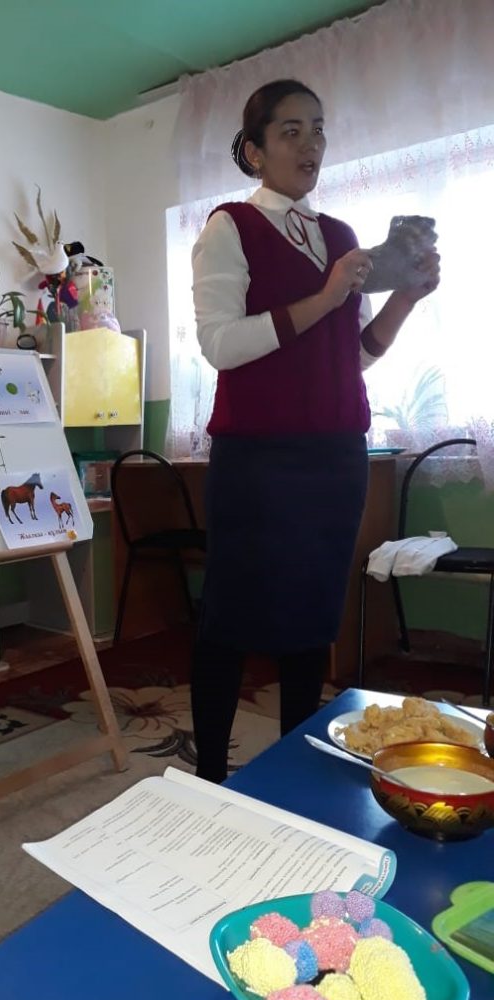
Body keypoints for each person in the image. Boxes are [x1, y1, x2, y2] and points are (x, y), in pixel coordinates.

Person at [189, 79, 440, 783]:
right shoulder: (229, 227)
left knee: (310, 622)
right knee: (229, 620)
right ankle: (210, 779)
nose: (310, 145)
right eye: (291, 131)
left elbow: (350, 355)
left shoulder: (341, 237)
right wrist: (328, 294)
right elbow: (220, 345)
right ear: (255, 150)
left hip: (335, 457)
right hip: (258, 458)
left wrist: (406, 298)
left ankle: (295, 775)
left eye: (319, 129)